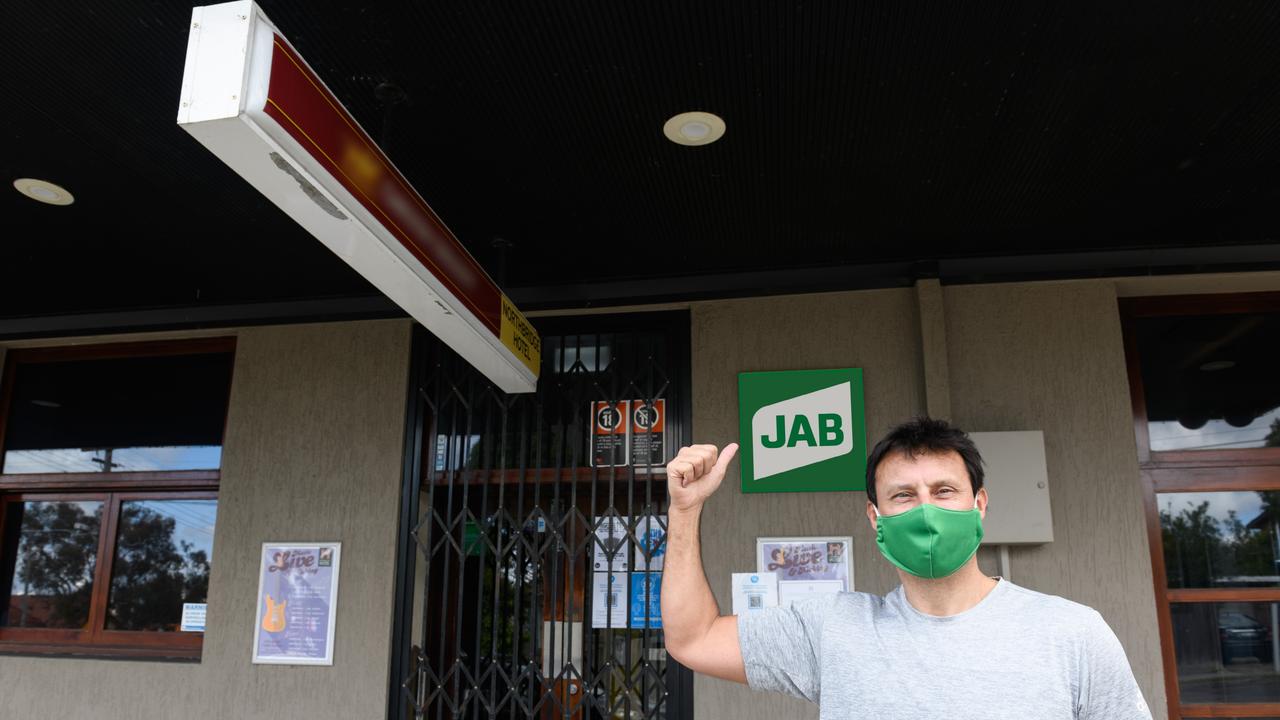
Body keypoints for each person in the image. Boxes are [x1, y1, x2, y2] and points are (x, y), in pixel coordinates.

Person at [660, 416, 1151, 719]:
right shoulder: (834, 629)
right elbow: (692, 638)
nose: (925, 511)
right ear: (876, 517)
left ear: (979, 504)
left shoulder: (1072, 633)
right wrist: (684, 512)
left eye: (943, 492)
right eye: (903, 495)